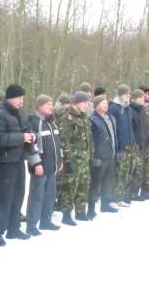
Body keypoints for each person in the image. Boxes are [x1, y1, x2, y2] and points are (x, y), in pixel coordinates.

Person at [0, 84, 38, 246]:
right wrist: (22, 137)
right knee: (3, 198)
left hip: (19, 159)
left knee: (18, 195)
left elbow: (28, 130)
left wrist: (32, 137)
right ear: (10, 98)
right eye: (19, 98)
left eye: (23, 98)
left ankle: (14, 228)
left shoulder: (22, 113)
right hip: (4, 161)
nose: (21, 101)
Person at [25, 95, 64, 235]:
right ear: (39, 106)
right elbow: (30, 146)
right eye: (48, 104)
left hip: (52, 167)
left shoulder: (52, 122)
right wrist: (36, 163)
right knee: (36, 197)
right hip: (40, 167)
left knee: (50, 196)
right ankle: (31, 225)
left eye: (51, 104)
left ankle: (45, 221)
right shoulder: (33, 122)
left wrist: (60, 160)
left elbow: (58, 143)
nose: (51, 107)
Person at [57, 91, 93, 225]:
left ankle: (80, 211)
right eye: (85, 102)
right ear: (77, 103)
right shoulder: (67, 118)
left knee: (84, 185)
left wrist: (91, 154)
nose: (87, 105)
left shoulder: (84, 118)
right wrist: (68, 158)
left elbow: (89, 138)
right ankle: (66, 214)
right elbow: (63, 139)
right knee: (70, 186)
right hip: (74, 158)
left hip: (84, 158)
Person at [89, 95, 118, 217]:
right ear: (96, 106)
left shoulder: (110, 118)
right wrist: (94, 157)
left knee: (108, 182)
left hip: (110, 155)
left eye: (106, 103)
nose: (106, 105)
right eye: (103, 103)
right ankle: (90, 209)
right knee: (95, 184)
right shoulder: (93, 120)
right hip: (100, 157)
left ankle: (105, 205)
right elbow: (92, 141)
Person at [108, 84, 135, 205]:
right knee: (119, 173)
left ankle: (123, 196)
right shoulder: (114, 108)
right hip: (120, 146)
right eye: (127, 93)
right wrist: (118, 146)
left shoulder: (128, 107)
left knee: (127, 172)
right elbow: (113, 129)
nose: (129, 96)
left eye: (129, 93)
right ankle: (116, 198)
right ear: (121, 94)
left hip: (130, 145)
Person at [128, 89, 149, 200]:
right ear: (135, 98)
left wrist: (147, 140)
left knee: (140, 169)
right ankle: (132, 193)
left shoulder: (142, 110)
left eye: (143, 97)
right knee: (135, 169)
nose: (143, 99)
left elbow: (145, 127)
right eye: (141, 97)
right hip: (135, 144)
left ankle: (137, 191)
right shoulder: (131, 110)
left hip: (143, 144)